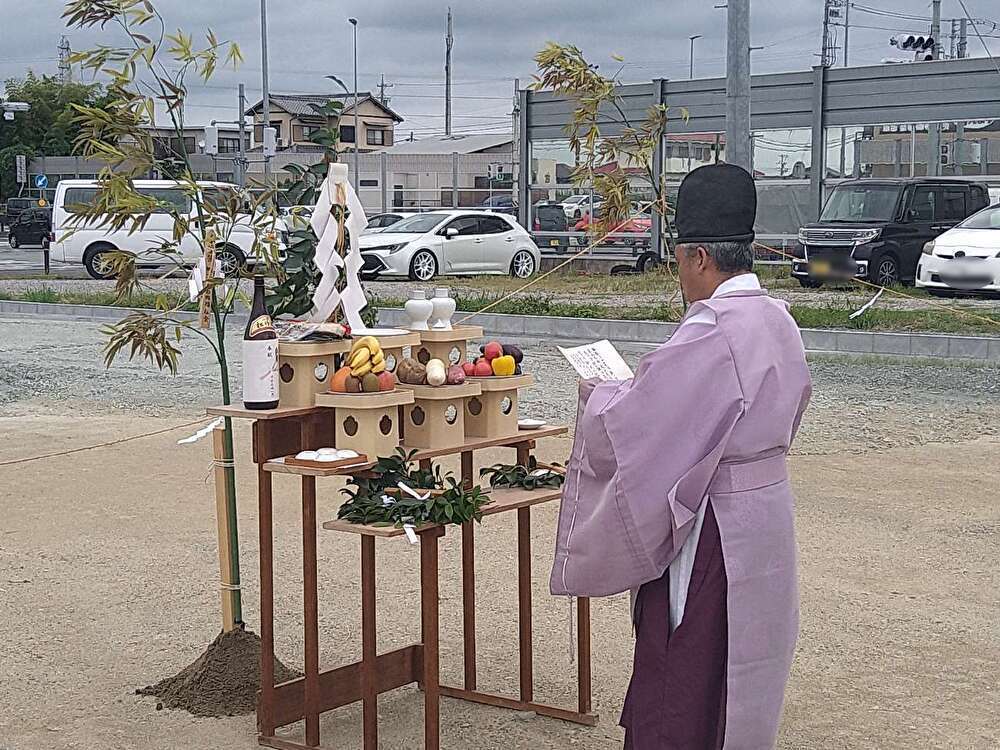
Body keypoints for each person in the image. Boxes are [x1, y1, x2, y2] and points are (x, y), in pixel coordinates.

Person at [550, 163, 812, 749]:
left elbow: (635, 425)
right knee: (744, 665)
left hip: (716, 524)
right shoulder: (779, 319)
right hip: (767, 510)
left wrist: (599, 395)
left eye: (678, 260)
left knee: (686, 669)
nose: (678, 274)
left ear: (697, 257)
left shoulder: (712, 330)